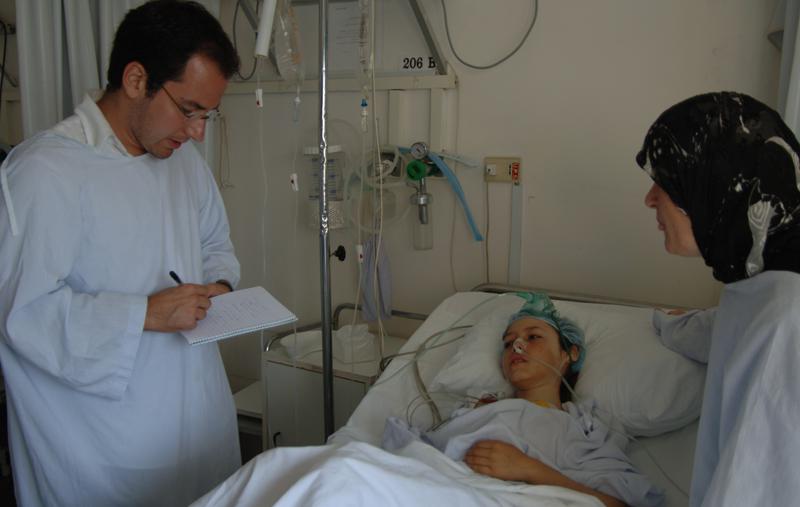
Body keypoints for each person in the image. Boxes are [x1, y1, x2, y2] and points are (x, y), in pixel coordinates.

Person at [0, 1, 243, 505]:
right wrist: (144, 314)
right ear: (136, 79)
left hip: (195, 409)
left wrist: (218, 289)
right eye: (189, 109)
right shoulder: (45, 172)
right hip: (100, 440)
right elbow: (20, 315)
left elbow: (216, 244)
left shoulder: (181, 161)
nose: (198, 131)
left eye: (208, 114)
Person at [636, 91, 800, 507]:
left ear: (716, 186)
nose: (650, 198)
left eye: (667, 181)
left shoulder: (783, 322)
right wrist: (669, 324)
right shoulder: (763, 282)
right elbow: (723, 332)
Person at [384, 293, 663, 507]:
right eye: (508, 342)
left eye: (533, 337)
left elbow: (619, 504)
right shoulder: (476, 410)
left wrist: (529, 469)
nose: (518, 346)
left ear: (570, 353)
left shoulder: (586, 426)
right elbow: (425, 456)